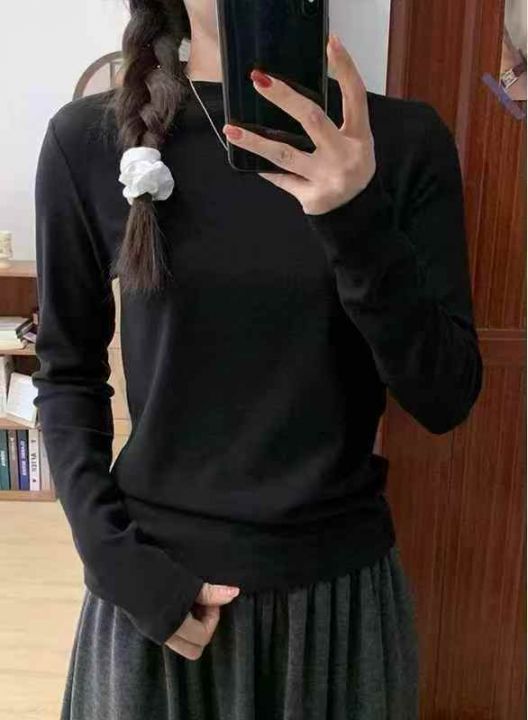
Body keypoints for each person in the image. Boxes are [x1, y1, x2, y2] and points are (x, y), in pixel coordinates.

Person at [32, 0, 483, 718]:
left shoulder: (400, 140)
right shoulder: (87, 141)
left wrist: (355, 219)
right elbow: (67, 376)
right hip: (158, 596)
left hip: (339, 610)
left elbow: (445, 395)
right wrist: (114, 561)